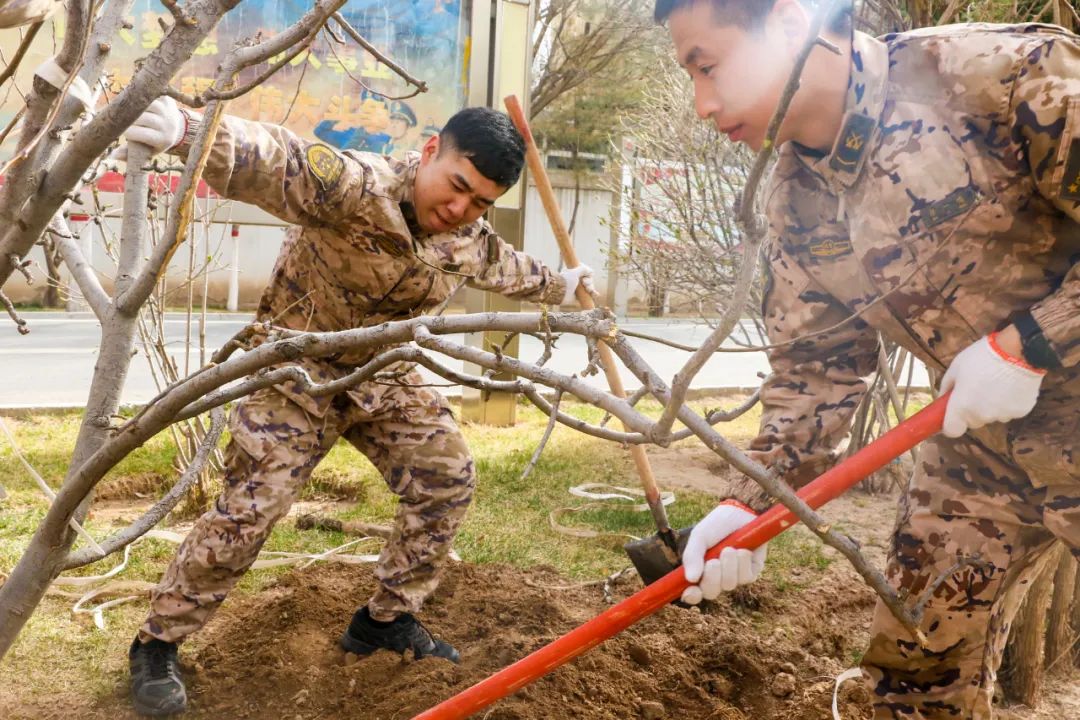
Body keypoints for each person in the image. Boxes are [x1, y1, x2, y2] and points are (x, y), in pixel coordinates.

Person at [654, 1, 1080, 718]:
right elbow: (814, 373)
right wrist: (748, 503)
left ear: (790, 19)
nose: (702, 104)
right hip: (978, 449)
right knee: (914, 674)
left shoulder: (1001, 77)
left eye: (708, 65)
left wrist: (1032, 344)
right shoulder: (796, 199)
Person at [115, 100, 595, 716]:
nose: (460, 210)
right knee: (251, 508)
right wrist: (193, 132)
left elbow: (508, 268)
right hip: (295, 369)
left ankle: (385, 622)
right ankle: (157, 644)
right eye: (456, 187)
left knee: (447, 477)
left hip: (382, 376)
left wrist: (565, 284)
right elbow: (279, 158)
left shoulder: (467, 238)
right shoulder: (356, 185)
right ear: (428, 152)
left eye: (480, 202)